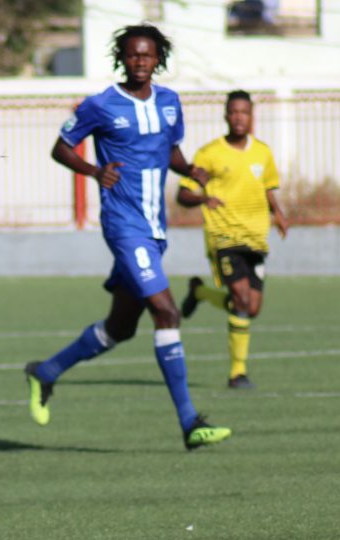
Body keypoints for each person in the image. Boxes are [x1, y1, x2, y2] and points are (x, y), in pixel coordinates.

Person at [24, 24, 232, 451]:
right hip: (123, 225)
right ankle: (191, 422)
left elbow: (167, 149)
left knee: (120, 328)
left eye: (148, 55)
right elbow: (61, 147)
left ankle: (45, 372)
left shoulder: (171, 103)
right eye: (133, 55)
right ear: (123, 58)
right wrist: (94, 171)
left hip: (156, 230)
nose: (141, 61)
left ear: (159, 59)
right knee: (167, 312)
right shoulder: (100, 105)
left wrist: (189, 169)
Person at [176, 89, 289, 389]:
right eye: (234, 112)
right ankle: (237, 373)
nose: (239, 118)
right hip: (223, 235)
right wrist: (203, 199)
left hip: (255, 237)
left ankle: (198, 292)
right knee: (239, 298)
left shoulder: (262, 152)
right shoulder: (209, 153)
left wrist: (278, 213)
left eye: (245, 113)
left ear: (252, 117)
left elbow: (266, 188)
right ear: (226, 115)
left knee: (252, 308)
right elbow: (182, 193)